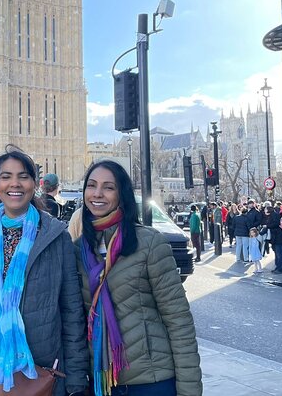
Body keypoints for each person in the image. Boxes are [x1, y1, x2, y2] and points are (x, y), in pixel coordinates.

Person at [77, 160, 202, 396]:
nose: (97, 193)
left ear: (122, 194)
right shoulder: (77, 251)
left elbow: (179, 321)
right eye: (91, 185)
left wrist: (189, 389)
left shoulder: (150, 243)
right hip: (101, 383)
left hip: (152, 381)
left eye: (108, 187)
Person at [0, 147, 88, 396]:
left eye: (23, 176)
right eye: (6, 176)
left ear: (35, 184)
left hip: (41, 372)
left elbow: (72, 313)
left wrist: (76, 382)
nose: (15, 183)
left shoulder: (56, 237)